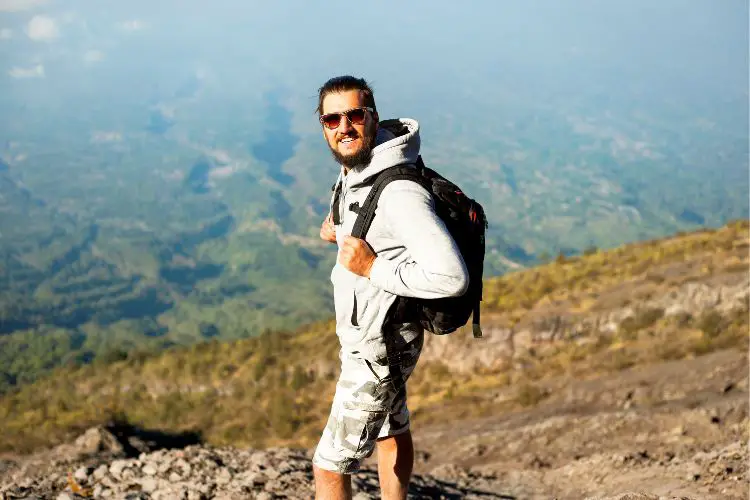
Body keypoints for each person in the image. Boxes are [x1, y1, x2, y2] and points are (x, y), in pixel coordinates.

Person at [312, 75, 469, 500]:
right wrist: (341, 233)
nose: (343, 126)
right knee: (390, 427)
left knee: (328, 465)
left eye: (354, 115)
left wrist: (371, 267)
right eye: (331, 119)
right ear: (322, 125)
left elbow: (452, 278)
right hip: (376, 337)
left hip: (379, 346)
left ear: (373, 117)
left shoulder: (398, 191)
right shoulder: (361, 166)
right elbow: (376, 231)